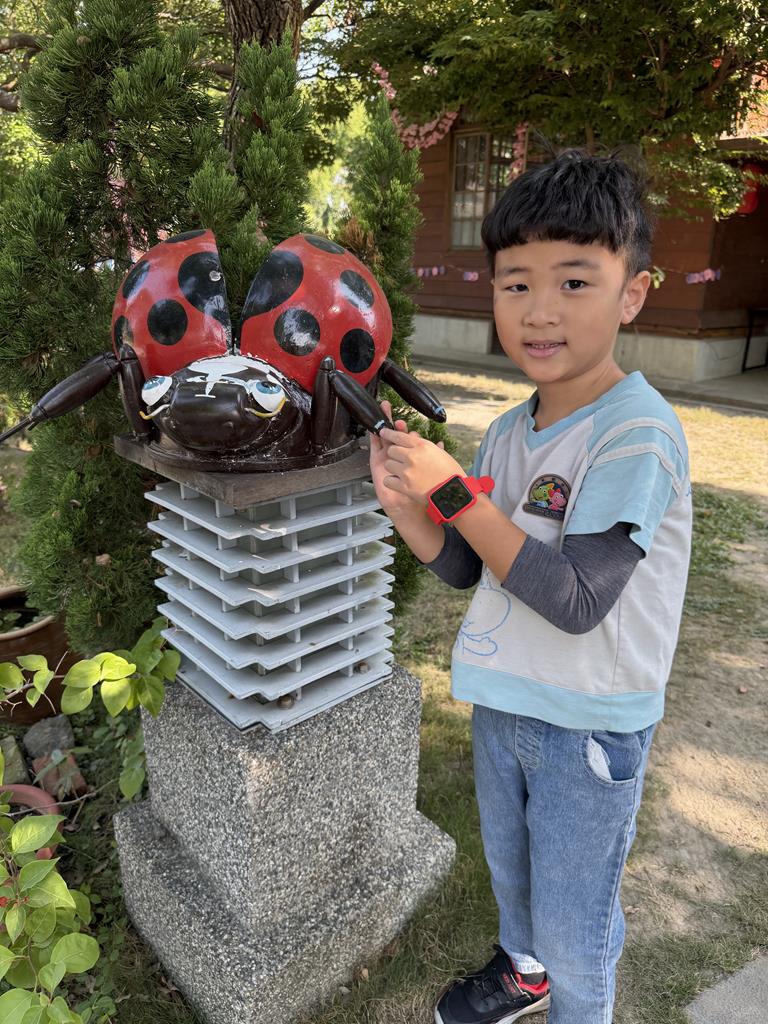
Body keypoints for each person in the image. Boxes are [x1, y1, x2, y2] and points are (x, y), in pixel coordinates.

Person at [369, 150, 692, 1024]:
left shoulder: (637, 433)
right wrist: (411, 509)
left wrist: (451, 493)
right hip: (504, 703)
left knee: (575, 924)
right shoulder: (511, 431)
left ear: (632, 294)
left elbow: (576, 598)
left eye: (575, 282)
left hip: (589, 727)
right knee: (513, 878)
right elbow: (472, 566)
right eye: (517, 284)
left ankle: (572, 1000)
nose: (540, 311)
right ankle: (522, 974)